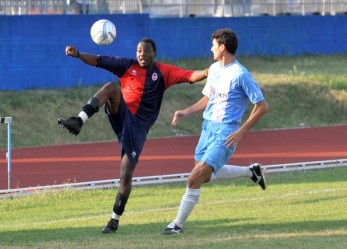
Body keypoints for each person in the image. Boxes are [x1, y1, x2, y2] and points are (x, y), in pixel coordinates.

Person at [57, 38, 207, 234]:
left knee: (126, 174)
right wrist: (78, 54)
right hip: (122, 114)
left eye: (146, 51)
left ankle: (114, 221)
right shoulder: (127, 66)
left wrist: (206, 72)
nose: (141, 54)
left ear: (154, 53)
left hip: (138, 128)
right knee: (111, 87)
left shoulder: (163, 72)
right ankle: (79, 120)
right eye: (139, 51)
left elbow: (189, 76)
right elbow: (99, 60)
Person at [161, 28, 268, 235]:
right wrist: (186, 111)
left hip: (226, 133)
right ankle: (251, 172)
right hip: (207, 129)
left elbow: (262, 106)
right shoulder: (214, 68)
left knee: (193, 178)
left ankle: (176, 225)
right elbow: (208, 98)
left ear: (222, 47)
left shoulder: (241, 75)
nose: (211, 48)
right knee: (204, 177)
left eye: (213, 45)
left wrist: (241, 132)